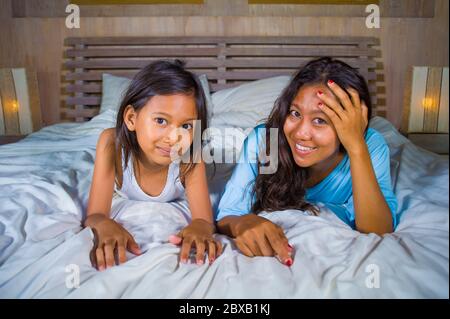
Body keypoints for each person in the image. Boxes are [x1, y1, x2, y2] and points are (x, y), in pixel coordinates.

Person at [216, 57, 398, 266]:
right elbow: (228, 214)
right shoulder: (263, 141)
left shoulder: (370, 145)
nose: (300, 133)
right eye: (295, 113)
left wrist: (356, 146)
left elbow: (378, 228)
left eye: (320, 120)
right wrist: (243, 223)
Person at [84, 60, 222, 271]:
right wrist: (104, 224)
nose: (173, 138)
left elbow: (204, 219)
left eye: (186, 126)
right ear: (131, 118)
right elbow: (95, 215)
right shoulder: (111, 143)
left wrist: (200, 228)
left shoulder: (191, 154)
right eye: (161, 121)